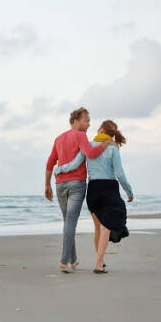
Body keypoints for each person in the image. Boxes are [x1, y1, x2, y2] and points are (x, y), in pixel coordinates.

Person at [53, 119, 133, 274]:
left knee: (98, 227)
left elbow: (75, 164)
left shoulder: (87, 146)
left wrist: (59, 169)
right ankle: (98, 263)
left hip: (93, 189)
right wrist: (129, 191)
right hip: (109, 188)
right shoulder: (113, 148)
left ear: (101, 130)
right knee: (105, 227)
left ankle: (100, 262)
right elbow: (120, 174)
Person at [44, 107, 114, 274]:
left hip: (59, 185)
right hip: (76, 184)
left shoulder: (59, 138)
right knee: (70, 223)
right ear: (75, 121)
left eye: (89, 121)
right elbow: (90, 153)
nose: (88, 124)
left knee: (68, 223)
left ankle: (72, 260)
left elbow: (50, 162)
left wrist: (47, 185)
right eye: (86, 120)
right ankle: (64, 261)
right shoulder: (81, 135)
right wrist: (105, 144)